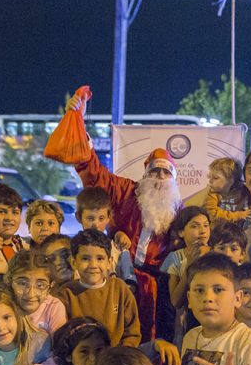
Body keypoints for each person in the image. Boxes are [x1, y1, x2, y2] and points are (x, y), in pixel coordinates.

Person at [62, 92, 182, 340]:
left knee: (154, 339)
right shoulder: (126, 191)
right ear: (146, 174)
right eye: (155, 171)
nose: (159, 178)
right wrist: (78, 122)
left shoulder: (179, 211)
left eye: (165, 173)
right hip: (119, 278)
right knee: (114, 333)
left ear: (173, 179)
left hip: (159, 287)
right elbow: (93, 173)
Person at [58, 229, 141, 347]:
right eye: (85, 259)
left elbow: (132, 333)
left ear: (109, 262)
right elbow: (62, 338)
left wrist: (118, 357)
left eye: (100, 259)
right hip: (78, 361)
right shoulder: (66, 294)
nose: (93, 265)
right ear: (73, 262)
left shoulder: (119, 289)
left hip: (115, 359)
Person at [75, 186, 136, 288]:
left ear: (108, 218)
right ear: (79, 217)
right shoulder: (73, 249)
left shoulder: (119, 249)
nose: (96, 224)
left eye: (101, 218)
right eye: (90, 218)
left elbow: (131, 285)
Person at [204, 157, 251, 224]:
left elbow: (249, 210)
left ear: (230, 180)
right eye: (209, 177)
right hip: (218, 231)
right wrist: (238, 215)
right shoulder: (212, 194)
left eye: (215, 178)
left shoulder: (244, 191)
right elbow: (213, 215)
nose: (210, 181)